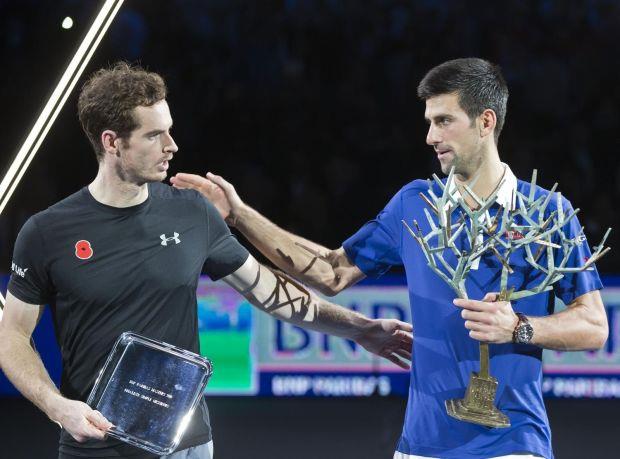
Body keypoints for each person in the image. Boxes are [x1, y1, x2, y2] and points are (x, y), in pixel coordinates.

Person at [170, 58, 609, 459]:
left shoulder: (547, 212)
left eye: (444, 121)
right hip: (419, 447)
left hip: (514, 444)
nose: (431, 137)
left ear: (485, 122)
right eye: (429, 122)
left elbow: (593, 325)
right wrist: (239, 215)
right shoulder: (415, 203)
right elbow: (332, 272)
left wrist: (519, 327)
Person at [0, 62, 414, 459]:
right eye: (154, 135)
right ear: (112, 142)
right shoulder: (46, 232)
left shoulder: (192, 212)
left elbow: (270, 292)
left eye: (170, 130)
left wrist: (360, 329)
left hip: (187, 446)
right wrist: (57, 406)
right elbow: (12, 336)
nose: (172, 146)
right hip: (93, 447)